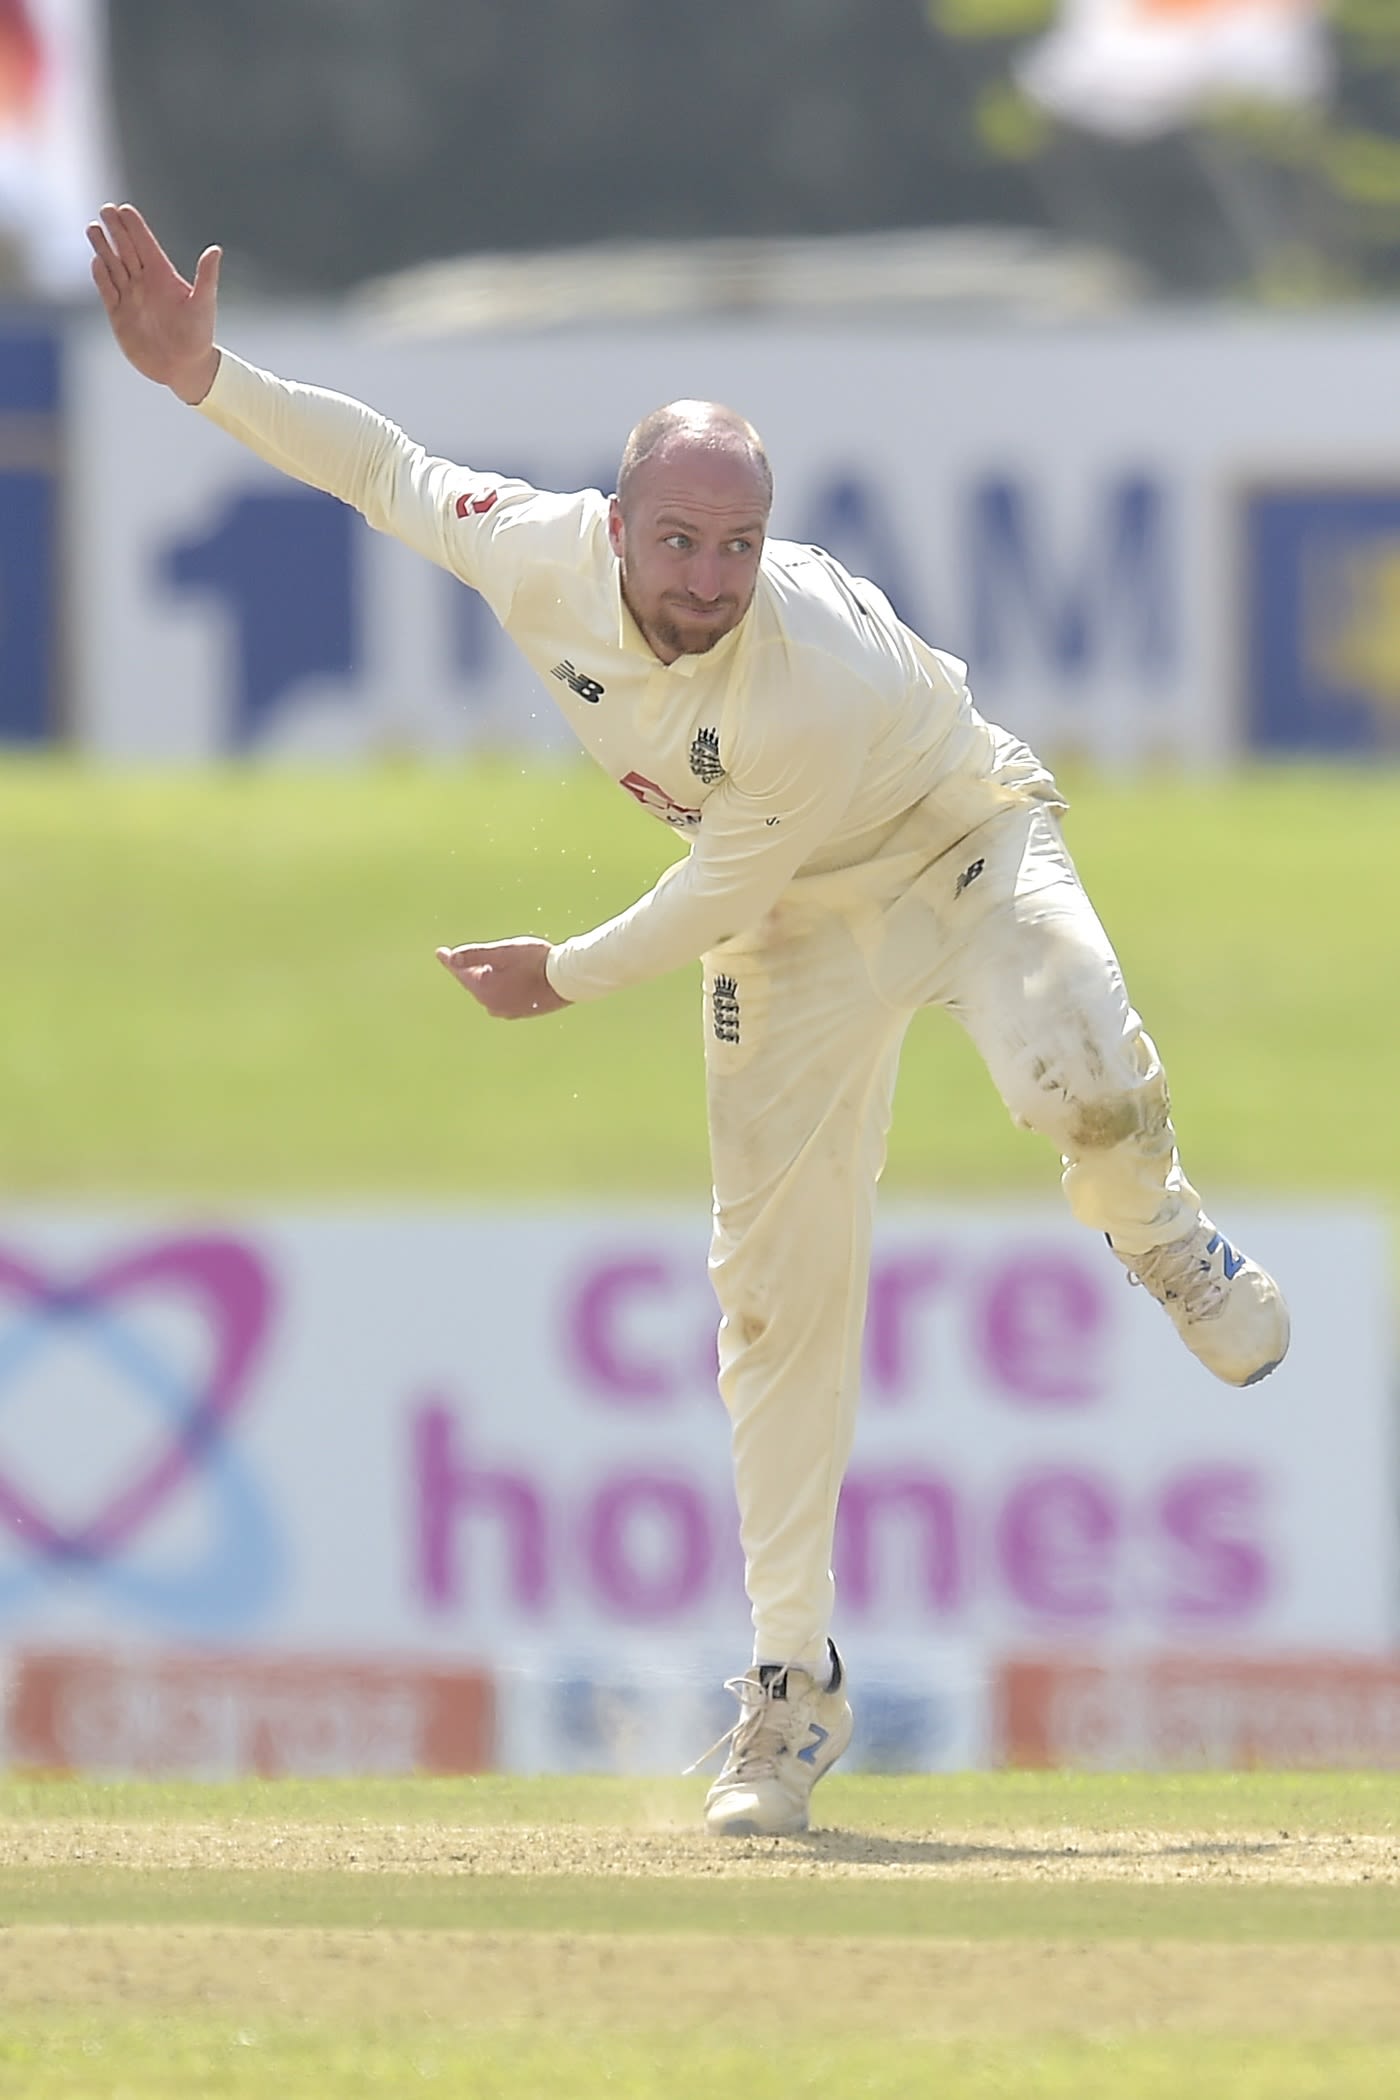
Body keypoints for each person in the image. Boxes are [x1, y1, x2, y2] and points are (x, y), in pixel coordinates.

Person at [88, 202, 1290, 1839]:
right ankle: (790, 1688)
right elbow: (379, 466)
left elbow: (709, 892)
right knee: (776, 1302)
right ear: (620, 521)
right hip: (792, 923)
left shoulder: (804, 685)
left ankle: (1160, 1235)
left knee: (1070, 1069)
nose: (709, 583)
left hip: (955, 838)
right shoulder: (534, 548)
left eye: (737, 549)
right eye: (678, 545)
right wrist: (204, 377)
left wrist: (561, 972)